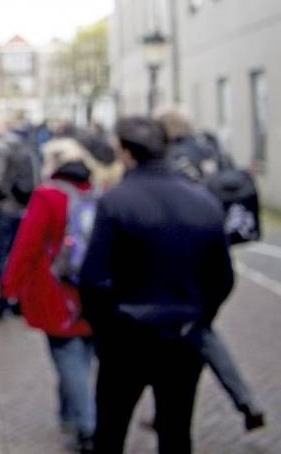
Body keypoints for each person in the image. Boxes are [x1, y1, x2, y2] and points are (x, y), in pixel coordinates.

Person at [79, 117, 234, 454]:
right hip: (182, 334)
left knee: (111, 431)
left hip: (126, 336)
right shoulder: (204, 201)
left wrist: (104, 328)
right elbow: (222, 277)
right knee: (176, 431)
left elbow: (93, 278)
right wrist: (199, 317)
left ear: (125, 152)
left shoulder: (116, 202)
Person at [156, 107, 266, 431]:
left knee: (195, 333)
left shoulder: (171, 158)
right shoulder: (211, 149)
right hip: (217, 251)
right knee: (198, 330)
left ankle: (241, 399)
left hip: (185, 255)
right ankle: (240, 400)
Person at [3, 138, 100, 453]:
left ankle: (87, 426)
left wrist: (11, 287)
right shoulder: (95, 193)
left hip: (56, 292)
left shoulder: (47, 196)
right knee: (81, 356)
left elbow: (27, 245)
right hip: (92, 291)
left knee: (67, 358)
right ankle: (69, 417)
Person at [0, 123, 37, 319]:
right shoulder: (26, 147)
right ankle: (19, 302)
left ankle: (3, 302)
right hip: (23, 210)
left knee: (2, 257)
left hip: (4, 210)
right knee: (20, 256)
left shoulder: (0, 148)